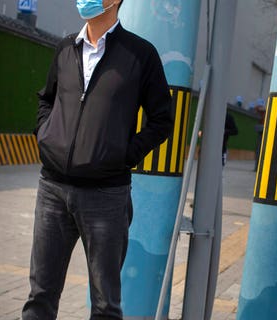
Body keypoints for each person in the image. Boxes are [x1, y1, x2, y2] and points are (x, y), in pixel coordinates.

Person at [23, 0, 173, 318]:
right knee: (40, 297)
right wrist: (46, 137)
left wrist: (122, 156)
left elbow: (162, 120)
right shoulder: (65, 48)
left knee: (105, 304)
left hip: (106, 196)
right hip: (52, 189)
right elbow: (46, 99)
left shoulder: (141, 55)